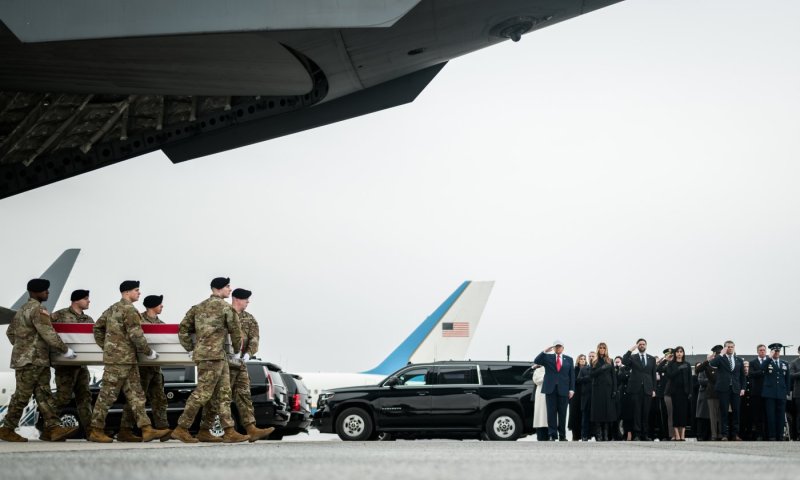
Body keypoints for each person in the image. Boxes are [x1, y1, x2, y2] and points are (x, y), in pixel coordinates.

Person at [88, 281, 169, 443]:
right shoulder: (129, 310)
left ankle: (146, 429)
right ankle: (95, 430)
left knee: (136, 395)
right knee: (107, 395)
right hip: (121, 361)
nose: (139, 293)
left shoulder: (113, 308)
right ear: (127, 292)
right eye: (136, 290)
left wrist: (108, 347)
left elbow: (97, 328)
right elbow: (136, 335)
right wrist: (148, 352)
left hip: (125, 360)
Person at [171, 277, 249, 443]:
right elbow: (236, 332)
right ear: (219, 288)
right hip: (214, 357)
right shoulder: (226, 308)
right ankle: (181, 428)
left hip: (210, 356)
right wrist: (237, 351)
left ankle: (223, 430)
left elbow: (183, 329)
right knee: (203, 393)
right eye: (228, 287)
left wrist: (190, 349)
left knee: (223, 393)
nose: (230, 289)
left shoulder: (198, 308)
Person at [0, 279, 78, 443]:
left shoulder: (21, 310)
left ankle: (52, 428)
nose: (47, 292)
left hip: (34, 360)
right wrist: (65, 350)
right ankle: (7, 429)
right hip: (32, 360)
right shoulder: (38, 309)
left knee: (44, 395)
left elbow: (10, 333)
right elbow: (48, 333)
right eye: (45, 290)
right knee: (22, 395)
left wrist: (22, 347)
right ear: (36, 292)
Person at [198, 288, 273, 442]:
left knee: (244, 395)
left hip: (240, 364)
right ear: (238, 299)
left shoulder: (249, 319)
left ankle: (251, 428)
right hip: (223, 363)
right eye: (246, 300)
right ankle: (205, 429)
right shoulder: (223, 313)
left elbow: (254, 339)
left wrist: (247, 354)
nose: (248, 302)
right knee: (218, 399)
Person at [117, 294, 171, 442]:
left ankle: (163, 429)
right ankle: (125, 430)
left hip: (155, 368)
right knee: (136, 401)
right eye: (160, 304)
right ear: (153, 305)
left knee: (160, 399)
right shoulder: (139, 320)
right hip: (141, 369)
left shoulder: (162, 324)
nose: (162, 306)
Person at [50, 289, 94, 438]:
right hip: (65, 365)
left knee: (85, 397)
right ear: (76, 300)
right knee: (63, 397)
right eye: (86, 299)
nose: (88, 301)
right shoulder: (59, 315)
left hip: (81, 365)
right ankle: (49, 427)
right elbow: (47, 333)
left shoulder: (88, 319)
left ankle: (91, 431)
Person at [534, 340, 575, 441]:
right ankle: (552, 434)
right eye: (556, 346)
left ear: (563, 348)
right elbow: (537, 360)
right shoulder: (548, 357)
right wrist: (545, 351)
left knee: (563, 413)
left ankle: (562, 435)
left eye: (559, 346)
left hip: (564, 390)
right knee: (551, 413)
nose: (558, 348)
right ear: (554, 348)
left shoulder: (569, 359)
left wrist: (572, 389)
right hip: (550, 389)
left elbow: (572, 375)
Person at [705, 340, 744, 441]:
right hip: (723, 389)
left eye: (732, 347)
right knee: (724, 412)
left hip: (735, 389)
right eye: (728, 347)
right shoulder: (720, 358)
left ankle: (735, 434)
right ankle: (724, 434)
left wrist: (743, 388)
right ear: (725, 348)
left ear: (734, 347)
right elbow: (712, 364)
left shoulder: (739, 360)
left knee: (736, 412)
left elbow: (742, 376)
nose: (730, 348)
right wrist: (721, 354)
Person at [622, 338, 656, 440]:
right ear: (637, 346)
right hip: (635, 389)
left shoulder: (652, 359)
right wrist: (630, 350)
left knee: (646, 412)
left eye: (643, 344)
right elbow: (624, 361)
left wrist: (654, 389)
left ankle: (645, 434)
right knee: (636, 412)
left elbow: (653, 375)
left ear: (646, 345)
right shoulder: (633, 357)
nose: (642, 346)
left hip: (648, 389)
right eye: (640, 344)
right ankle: (636, 434)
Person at [762, 343, 790, 441]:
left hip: (781, 393)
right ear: (771, 352)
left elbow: (787, 379)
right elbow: (762, 368)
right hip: (769, 393)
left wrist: (787, 392)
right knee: (771, 415)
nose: (776, 353)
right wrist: (769, 357)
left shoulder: (784, 363)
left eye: (778, 351)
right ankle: (772, 435)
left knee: (781, 415)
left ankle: (780, 435)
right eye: (774, 351)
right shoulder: (767, 362)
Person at [589, 343, 617, 441]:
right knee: (598, 412)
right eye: (600, 348)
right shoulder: (594, 361)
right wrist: (601, 369)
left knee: (607, 412)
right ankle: (599, 435)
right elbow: (591, 374)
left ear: (606, 349)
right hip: (597, 390)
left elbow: (614, 376)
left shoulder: (610, 361)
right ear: (598, 349)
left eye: (603, 348)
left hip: (608, 390)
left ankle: (606, 435)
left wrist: (614, 390)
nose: (602, 349)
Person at [664, 346, 691, 441]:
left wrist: (690, 392)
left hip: (684, 392)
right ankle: (676, 433)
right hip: (674, 392)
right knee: (675, 413)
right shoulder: (671, 364)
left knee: (683, 413)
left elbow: (690, 379)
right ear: (675, 353)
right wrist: (679, 368)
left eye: (681, 351)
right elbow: (670, 376)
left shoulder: (687, 364)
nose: (679, 353)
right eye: (678, 352)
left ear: (683, 353)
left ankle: (683, 433)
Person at [748, 344, 769, 440]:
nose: (762, 351)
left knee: (768, 414)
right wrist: (762, 371)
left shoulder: (770, 361)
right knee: (757, 415)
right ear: (757, 351)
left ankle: (768, 434)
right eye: (760, 350)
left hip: (768, 392)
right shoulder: (752, 362)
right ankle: (759, 434)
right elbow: (751, 374)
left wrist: (760, 372)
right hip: (756, 392)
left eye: (764, 350)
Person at [577, 351, 595, 441]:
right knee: (585, 417)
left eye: (593, 356)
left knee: (596, 418)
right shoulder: (583, 369)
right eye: (590, 356)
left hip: (596, 397)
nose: (591, 357)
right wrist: (589, 377)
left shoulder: (599, 368)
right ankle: (584, 436)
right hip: (586, 397)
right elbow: (579, 380)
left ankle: (597, 435)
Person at [569, 353, 586, 441]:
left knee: (583, 415)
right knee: (574, 415)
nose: (582, 360)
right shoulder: (574, 370)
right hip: (575, 395)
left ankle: (584, 435)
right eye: (581, 359)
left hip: (585, 394)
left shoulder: (588, 369)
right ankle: (575, 436)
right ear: (578, 360)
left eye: (584, 359)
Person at [531, 365, 549, 441]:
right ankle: (540, 435)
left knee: (548, 415)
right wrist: (546, 377)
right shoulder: (538, 370)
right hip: (540, 394)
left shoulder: (550, 369)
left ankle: (549, 435)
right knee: (540, 415)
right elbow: (536, 380)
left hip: (549, 393)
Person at [695, 361, 711, 441]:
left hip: (713, 395)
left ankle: (709, 435)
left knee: (711, 417)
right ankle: (700, 435)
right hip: (703, 395)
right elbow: (701, 380)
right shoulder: (702, 370)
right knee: (701, 416)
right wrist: (712, 380)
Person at [791, 346, 800, 440]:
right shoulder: (794, 363)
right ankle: (798, 435)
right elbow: (791, 375)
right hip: (798, 393)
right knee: (799, 415)